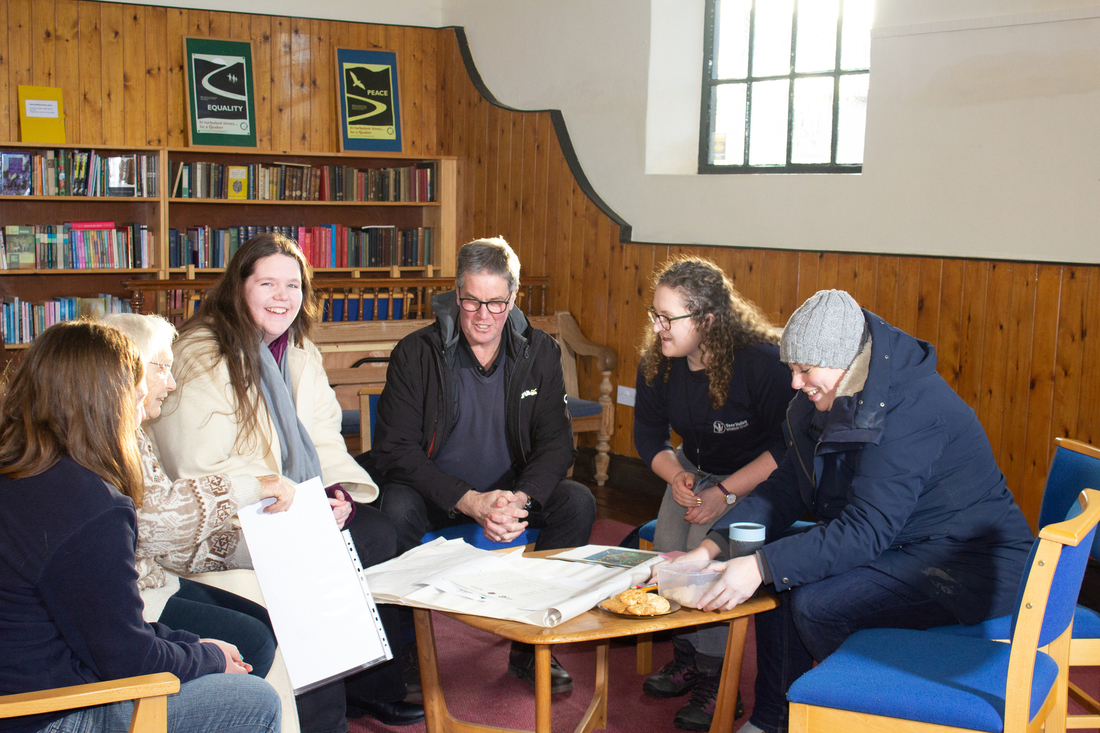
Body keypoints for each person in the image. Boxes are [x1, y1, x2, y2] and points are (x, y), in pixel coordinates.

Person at [662, 289, 1035, 733]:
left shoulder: (911, 409)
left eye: (804, 370)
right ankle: (775, 720)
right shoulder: (824, 395)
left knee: (816, 605)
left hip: (966, 563)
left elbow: (866, 530)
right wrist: (711, 549)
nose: (795, 383)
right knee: (783, 576)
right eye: (792, 370)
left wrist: (759, 565)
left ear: (843, 361)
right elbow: (785, 488)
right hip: (905, 543)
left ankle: (870, 708)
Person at [146, 233, 423, 730]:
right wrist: (294, 501)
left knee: (380, 532)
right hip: (232, 512)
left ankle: (370, 683)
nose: (282, 296)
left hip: (296, 500)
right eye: (267, 283)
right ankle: (326, 716)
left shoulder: (297, 350)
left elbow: (323, 441)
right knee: (319, 559)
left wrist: (335, 496)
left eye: (292, 285)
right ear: (238, 287)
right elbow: (197, 465)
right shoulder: (201, 355)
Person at [0, 320, 281, 733]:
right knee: (254, 702)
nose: (142, 404)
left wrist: (191, 645)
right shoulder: (91, 506)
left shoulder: (21, 470)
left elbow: (101, 621)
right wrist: (210, 658)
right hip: (45, 713)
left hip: (24, 687)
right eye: (136, 391)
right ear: (108, 400)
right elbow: (126, 660)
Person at [370, 237, 596, 695]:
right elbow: (395, 450)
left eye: (496, 302)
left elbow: (557, 444)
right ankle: (407, 657)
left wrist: (521, 497)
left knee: (577, 502)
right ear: (456, 294)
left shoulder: (541, 353)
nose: (483, 315)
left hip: (508, 494)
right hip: (438, 495)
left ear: (513, 298)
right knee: (393, 511)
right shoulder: (417, 353)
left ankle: (532, 649)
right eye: (472, 300)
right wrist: (470, 501)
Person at [633, 257, 793, 731]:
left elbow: (787, 449)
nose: (658, 327)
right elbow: (648, 436)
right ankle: (685, 656)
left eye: (668, 318)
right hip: (691, 468)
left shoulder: (761, 364)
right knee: (669, 550)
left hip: (753, 477)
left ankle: (717, 679)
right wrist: (674, 475)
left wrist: (725, 491)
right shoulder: (658, 362)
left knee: (705, 558)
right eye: (654, 315)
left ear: (707, 320)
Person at [102, 313, 282, 680]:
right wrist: (251, 486)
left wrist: (257, 550)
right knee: (255, 640)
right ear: (128, 368)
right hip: (127, 603)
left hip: (151, 579)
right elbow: (157, 525)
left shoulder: (132, 432)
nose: (170, 383)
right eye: (162, 368)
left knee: (262, 624)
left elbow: (167, 544)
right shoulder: (108, 437)